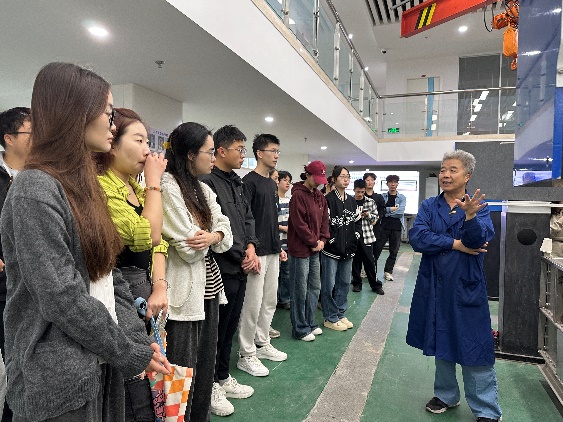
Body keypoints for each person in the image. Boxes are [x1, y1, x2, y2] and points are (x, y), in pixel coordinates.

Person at [1, 62, 170, 421]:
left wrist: (133, 340)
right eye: (108, 113)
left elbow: (108, 272)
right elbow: (61, 297)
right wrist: (126, 350)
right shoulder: (35, 188)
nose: (113, 124)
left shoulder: (82, 185)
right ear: (76, 111)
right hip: (58, 376)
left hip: (99, 360)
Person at [407, 150, 502, 422]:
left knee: (475, 344)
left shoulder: (479, 206)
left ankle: (486, 409)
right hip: (435, 285)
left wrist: (470, 217)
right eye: (443, 170)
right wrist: (454, 244)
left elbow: (479, 241)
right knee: (441, 338)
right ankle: (446, 394)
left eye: (452, 170)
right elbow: (418, 238)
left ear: (467, 176)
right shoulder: (429, 206)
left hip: (465, 285)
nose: (445, 175)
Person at [93, 108, 169, 421]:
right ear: (112, 144)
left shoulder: (135, 189)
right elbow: (147, 235)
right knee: (131, 384)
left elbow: (161, 243)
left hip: (147, 289)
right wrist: (154, 183)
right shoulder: (101, 187)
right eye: (138, 140)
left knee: (152, 379)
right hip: (121, 294)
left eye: (147, 141)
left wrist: (160, 286)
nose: (147, 150)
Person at [161, 122, 233, 421]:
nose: (213, 158)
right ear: (191, 154)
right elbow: (189, 248)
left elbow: (226, 232)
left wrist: (213, 236)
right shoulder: (167, 186)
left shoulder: (202, 188)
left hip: (210, 288)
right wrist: (211, 237)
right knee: (181, 370)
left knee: (204, 366)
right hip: (183, 293)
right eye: (209, 152)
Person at [200, 125, 258, 416]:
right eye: (239, 149)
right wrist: (240, 253)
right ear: (221, 151)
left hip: (240, 266)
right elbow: (214, 227)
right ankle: (210, 383)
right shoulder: (207, 182)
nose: (243, 154)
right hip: (221, 267)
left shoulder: (237, 182)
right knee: (215, 329)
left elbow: (247, 218)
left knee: (230, 327)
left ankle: (223, 375)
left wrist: (251, 247)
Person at [237, 134, 287, 377]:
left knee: (269, 301)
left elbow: (270, 219)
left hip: (273, 250)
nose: (276, 155)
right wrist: (250, 249)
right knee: (252, 305)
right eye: (272, 151)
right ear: (259, 153)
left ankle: (262, 342)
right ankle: (246, 353)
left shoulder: (270, 183)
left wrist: (279, 247)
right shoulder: (249, 182)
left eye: (278, 151)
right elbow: (245, 219)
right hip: (256, 252)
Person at [0, 107, 31, 422]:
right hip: (3, 285)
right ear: (9, 138)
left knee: (25, 358)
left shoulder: (43, 177)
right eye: (30, 133)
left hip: (33, 284)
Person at [287, 161, 329, 341]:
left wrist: (322, 240)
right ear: (308, 175)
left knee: (314, 287)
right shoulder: (298, 195)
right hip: (300, 249)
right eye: (316, 178)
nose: (319, 183)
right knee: (300, 289)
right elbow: (299, 223)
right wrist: (313, 241)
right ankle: (300, 328)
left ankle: (310, 322)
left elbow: (325, 220)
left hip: (315, 249)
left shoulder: (320, 196)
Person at [321, 166, 361, 332]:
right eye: (342, 176)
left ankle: (340, 313)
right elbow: (324, 224)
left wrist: (355, 236)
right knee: (329, 284)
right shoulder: (328, 199)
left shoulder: (351, 200)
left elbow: (357, 221)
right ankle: (330, 317)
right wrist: (332, 239)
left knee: (344, 282)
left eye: (348, 176)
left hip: (348, 249)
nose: (346, 179)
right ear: (334, 179)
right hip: (331, 249)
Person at [351, 179, 384, 295]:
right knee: (355, 262)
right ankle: (356, 283)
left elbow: (375, 218)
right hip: (353, 236)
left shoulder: (370, 202)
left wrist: (368, 215)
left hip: (367, 235)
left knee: (370, 262)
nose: (360, 194)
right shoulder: (349, 201)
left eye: (362, 192)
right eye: (358, 192)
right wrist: (356, 216)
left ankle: (375, 285)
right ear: (354, 190)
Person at [374, 175, 406, 282]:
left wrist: (387, 212)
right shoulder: (382, 197)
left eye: (395, 182)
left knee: (394, 251)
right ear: (387, 184)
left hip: (396, 228)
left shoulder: (402, 197)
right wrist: (390, 210)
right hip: (383, 227)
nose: (393, 184)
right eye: (390, 182)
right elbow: (380, 211)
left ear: (397, 184)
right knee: (377, 249)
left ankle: (388, 271)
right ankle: (371, 271)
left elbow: (400, 212)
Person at [276, 170, 293, 310]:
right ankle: (274, 299)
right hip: (276, 242)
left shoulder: (290, 201)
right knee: (275, 273)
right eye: (285, 180)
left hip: (289, 243)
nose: (288, 183)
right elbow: (268, 222)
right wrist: (283, 228)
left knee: (287, 273)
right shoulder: (273, 200)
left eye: (289, 181)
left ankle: (285, 299)